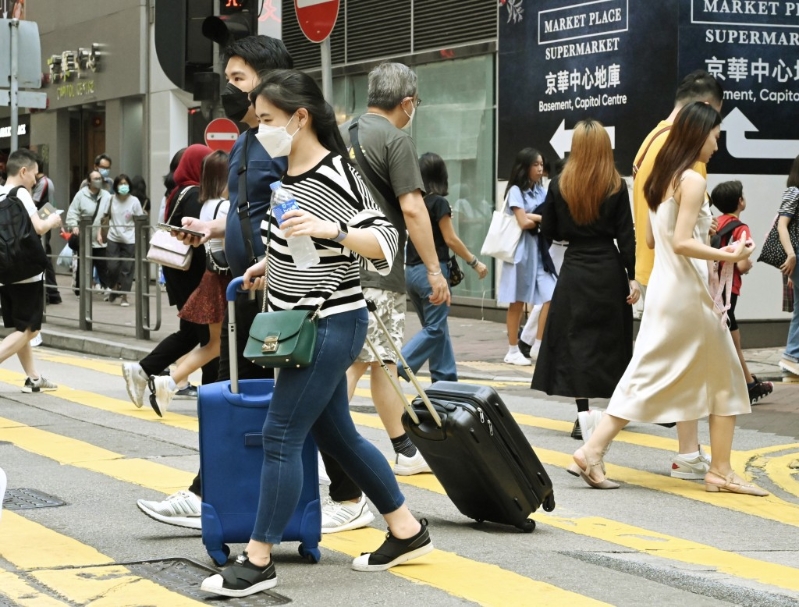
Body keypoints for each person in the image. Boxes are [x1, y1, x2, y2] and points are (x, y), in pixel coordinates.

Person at [199, 69, 433, 598]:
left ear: (300, 117)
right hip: (301, 325)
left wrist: (336, 230)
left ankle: (258, 560)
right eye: (258, 120)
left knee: (281, 434)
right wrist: (268, 265)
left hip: (329, 323)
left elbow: (386, 240)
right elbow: (302, 249)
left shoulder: (335, 171)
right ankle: (406, 530)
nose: (260, 130)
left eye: (267, 119)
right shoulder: (289, 178)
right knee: (338, 435)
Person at [136, 35, 293, 529]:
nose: (229, 89)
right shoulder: (246, 140)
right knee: (246, 398)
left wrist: (273, 262)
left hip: (277, 293)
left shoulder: (288, 138)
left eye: (238, 79)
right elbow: (251, 213)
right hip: (244, 291)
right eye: (228, 78)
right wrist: (214, 229)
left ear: (269, 80)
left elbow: (295, 210)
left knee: (269, 401)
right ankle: (212, 494)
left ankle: (351, 499)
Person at [572, 102, 768, 497]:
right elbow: (680, 242)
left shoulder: (661, 179)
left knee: (659, 373)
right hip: (686, 293)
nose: (717, 145)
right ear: (699, 134)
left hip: (666, 288)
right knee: (724, 379)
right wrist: (730, 254)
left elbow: (651, 239)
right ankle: (718, 471)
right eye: (714, 136)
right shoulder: (691, 181)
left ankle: (596, 451)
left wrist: (700, 232)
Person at [319, 62, 448, 535]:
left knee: (382, 362)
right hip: (378, 266)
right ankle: (333, 458)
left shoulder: (340, 133)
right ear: (407, 101)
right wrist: (433, 269)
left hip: (336, 263)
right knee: (357, 362)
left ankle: (402, 448)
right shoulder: (395, 140)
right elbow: (412, 208)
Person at [632, 69, 724, 480]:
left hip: (657, 270)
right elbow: (687, 235)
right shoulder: (688, 159)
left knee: (682, 366)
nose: (716, 141)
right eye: (715, 126)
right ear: (702, 112)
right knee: (650, 368)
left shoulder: (651, 141)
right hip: (681, 276)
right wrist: (724, 250)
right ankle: (596, 438)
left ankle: (690, 452)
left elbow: (653, 226)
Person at [532, 120, 639, 454]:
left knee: (576, 341)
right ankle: (613, 413)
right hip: (609, 269)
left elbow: (548, 230)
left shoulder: (560, 184)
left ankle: (583, 415)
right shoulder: (616, 185)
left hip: (575, 268)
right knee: (611, 341)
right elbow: (626, 234)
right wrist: (633, 275)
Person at [121, 145, 216, 416]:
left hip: (180, 274)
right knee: (211, 338)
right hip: (194, 276)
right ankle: (212, 398)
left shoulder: (179, 191)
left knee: (191, 333)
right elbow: (199, 238)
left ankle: (142, 370)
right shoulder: (195, 194)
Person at [149, 151, 231, 414]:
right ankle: (181, 386)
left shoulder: (205, 204)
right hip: (224, 280)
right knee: (219, 344)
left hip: (210, 279)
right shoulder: (225, 207)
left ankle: (169, 382)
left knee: (214, 344)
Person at [399, 152, 487, 382]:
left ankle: (444, 380)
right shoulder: (439, 203)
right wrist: (474, 262)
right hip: (432, 273)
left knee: (436, 328)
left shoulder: (414, 204)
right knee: (435, 329)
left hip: (411, 273)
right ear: (442, 176)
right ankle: (401, 364)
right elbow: (451, 239)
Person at [0, 149, 62, 392]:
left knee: (20, 327)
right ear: (23, 171)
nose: (35, 181)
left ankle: (34, 377)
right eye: (34, 175)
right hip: (26, 271)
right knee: (30, 329)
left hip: (4, 271)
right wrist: (52, 220)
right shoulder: (21, 193)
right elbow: (38, 227)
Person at [709, 180, 774, 404]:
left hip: (711, 285)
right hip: (729, 289)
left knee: (728, 331)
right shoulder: (740, 228)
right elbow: (742, 264)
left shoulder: (715, 223)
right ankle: (746, 384)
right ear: (740, 202)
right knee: (728, 332)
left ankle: (746, 380)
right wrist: (747, 266)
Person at [499, 148, 556, 366]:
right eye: (535, 165)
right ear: (525, 167)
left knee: (551, 295)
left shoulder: (540, 191)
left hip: (539, 252)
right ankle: (512, 350)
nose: (540, 169)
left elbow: (548, 218)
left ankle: (538, 345)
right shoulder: (515, 190)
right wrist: (539, 219)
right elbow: (523, 223)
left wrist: (533, 217)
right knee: (517, 301)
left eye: (541, 164)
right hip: (520, 253)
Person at [100, 174, 143, 307]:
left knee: (127, 269)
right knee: (112, 266)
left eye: (126, 184)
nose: (123, 186)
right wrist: (100, 233)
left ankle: (124, 296)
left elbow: (139, 220)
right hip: (113, 237)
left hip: (130, 239)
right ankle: (114, 286)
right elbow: (104, 217)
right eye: (120, 184)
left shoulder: (134, 201)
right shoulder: (111, 199)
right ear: (116, 186)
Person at [66, 170, 112, 291]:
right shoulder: (81, 195)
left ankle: (107, 289)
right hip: (84, 238)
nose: (98, 181)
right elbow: (72, 212)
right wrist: (74, 226)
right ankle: (80, 290)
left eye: (100, 178)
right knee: (84, 265)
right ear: (89, 181)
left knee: (103, 265)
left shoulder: (107, 196)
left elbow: (110, 214)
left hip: (100, 238)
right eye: (95, 178)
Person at [777, 154, 799, 378]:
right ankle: (791, 356)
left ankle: (792, 357)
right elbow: (782, 224)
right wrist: (791, 254)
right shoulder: (794, 192)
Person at [31, 163, 61, 305]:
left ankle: (51, 292)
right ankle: (51, 292)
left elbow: (32, 204)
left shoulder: (43, 183)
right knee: (45, 256)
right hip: (44, 221)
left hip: (42, 223)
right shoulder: (45, 182)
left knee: (44, 257)